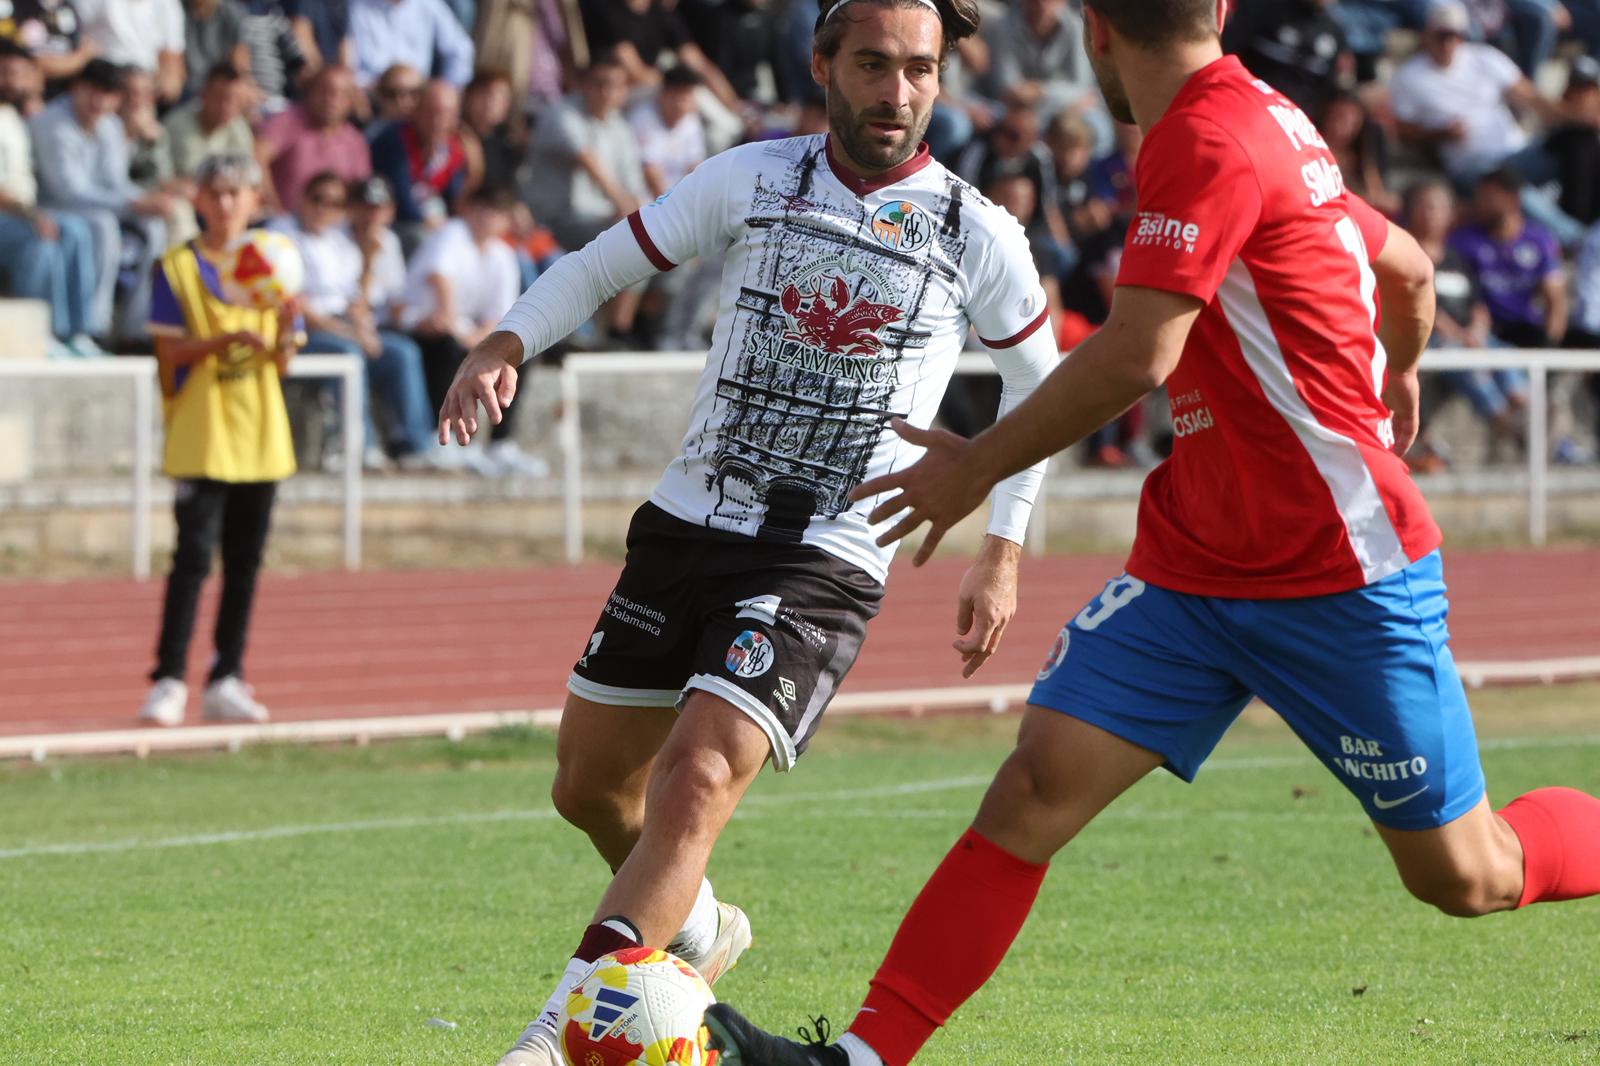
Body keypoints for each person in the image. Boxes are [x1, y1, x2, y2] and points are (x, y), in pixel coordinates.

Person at [703, 1, 1600, 1061]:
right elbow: (1402, 264)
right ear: (1218, 11)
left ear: (1092, 31)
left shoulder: (1204, 140)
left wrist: (975, 468)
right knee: (1032, 788)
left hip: (1337, 568)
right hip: (1193, 568)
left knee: (1467, 874)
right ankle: (857, 1057)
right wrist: (1396, 364)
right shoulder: (1263, 120)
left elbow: (1138, 357)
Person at [434, 0, 1056, 1060]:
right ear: (822, 64)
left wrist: (1000, 549)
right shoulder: (751, 176)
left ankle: (556, 1035)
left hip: (827, 552)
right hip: (688, 519)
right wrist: (505, 340)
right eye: (871, 65)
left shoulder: (975, 230)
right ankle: (704, 921)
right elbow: (600, 264)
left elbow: (1042, 386)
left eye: (918, 70)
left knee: (700, 771)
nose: (895, 93)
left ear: (941, 79)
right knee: (588, 784)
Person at [137, 152, 302, 728]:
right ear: (199, 199)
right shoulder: (176, 267)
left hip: (260, 435)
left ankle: (227, 674)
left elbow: (281, 365)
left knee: (245, 563)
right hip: (203, 434)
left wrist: (283, 333)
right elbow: (167, 355)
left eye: (239, 193)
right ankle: (168, 678)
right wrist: (223, 339)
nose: (227, 204)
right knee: (190, 561)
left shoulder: (275, 265)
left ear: (257, 200)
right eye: (217, 192)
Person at [275, 170, 439, 468]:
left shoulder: (342, 244)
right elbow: (295, 303)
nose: (325, 208)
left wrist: (365, 330)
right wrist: (349, 332)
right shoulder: (284, 234)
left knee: (402, 352)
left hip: (342, 327)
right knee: (348, 354)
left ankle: (416, 445)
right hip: (303, 333)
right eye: (318, 199)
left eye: (335, 203)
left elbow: (356, 302)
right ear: (302, 199)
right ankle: (361, 445)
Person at [400, 185, 543, 476]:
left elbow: (501, 315)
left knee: (519, 355)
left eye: (498, 212)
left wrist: (480, 342)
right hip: (417, 323)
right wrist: (461, 332)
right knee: (449, 345)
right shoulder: (452, 233)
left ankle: (500, 444)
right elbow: (440, 278)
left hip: (462, 330)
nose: (489, 218)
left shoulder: (503, 254)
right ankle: (443, 437)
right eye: (485, 210)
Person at [31, 57, 173, 344]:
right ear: (76, 88)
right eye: (93, 90)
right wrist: (131, 204)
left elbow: (116, 182)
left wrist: (144, 199)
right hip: (49, 207)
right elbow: (67, 191)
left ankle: (136, 328)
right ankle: (95, 325)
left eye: (108, 94)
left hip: (96, 205)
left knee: (155, 225)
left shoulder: (109, 125)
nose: (99, 101)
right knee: (103, 225)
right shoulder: (52, 124)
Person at [1405, 177, 1527, 464]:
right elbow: (1422, 308)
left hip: (1467, 337)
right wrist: (1461, 336)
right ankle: (1512, 428)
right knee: (1463, 361)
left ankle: (1525, 411)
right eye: (1424, 206)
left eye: (1436, 207)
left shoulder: (1457, 259)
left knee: (1504, 355)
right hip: (1433, 340)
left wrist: (1476, 330)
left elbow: (1478, 305)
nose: (1429, 214)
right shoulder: (1406, 254)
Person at [0, 86, 104, 357]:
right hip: (11, 215)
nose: (14, 81)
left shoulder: (12, 116)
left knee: (75, 230)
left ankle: (78, 333)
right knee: (41, 246)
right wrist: (33, 216)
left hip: (20, 213)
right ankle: (46, 334)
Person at [524, 53, 647, 253]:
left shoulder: (621, 128)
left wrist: (639, 209)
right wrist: (626, 207)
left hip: (602, 219)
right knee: (629, 243)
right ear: (584, 84)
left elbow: (633, 183)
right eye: (599, 84)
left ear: (625, 90)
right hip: (557, 220)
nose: (607, 92)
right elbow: (588, 160)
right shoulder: (560, 114)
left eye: (615, 85)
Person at [1449, 166, 1568, 350]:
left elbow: (1555, 300)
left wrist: (1549, 345)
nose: (1480, 204)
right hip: (1483, 330)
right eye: (1479, 197)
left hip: (1525, 328)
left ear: (1513, 199)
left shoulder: (1539, 240)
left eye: (1488, 198)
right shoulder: (1463, 240)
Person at [256, 63, 370, 215]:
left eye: (342, 94)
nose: (332, 100)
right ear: (311, 90)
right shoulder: (286, 121)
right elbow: (257, 157)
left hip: (332, 230)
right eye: (325, 91)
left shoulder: (355, 141)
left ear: (351, 101)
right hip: (281, 223)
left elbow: (359, 192)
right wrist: (274, 209)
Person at [367, 78, 471, 236]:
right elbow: (401, 201)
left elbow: (454, 199)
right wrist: (429, 222)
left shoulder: (452, 150)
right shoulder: (394, 141)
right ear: (416, 111)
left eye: (446, 114)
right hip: (395, 224)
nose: (438, 121)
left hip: (433, 222)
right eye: (431, 112)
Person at [75, 0, 186, 102]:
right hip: (100, 77)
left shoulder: (167, 4)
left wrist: (151, 88)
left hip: (144, 82)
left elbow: (173, 74)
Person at [347, 0, 474, 89]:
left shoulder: (429, 5)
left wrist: (447, 88)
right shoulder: (354, 5)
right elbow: (346, 62)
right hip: (370, 94)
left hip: (416, 97)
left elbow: (460, 50)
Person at [164, 61, 255, 179]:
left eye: (236, 101)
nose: (227, 107)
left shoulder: (239, 128)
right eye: (220, 98)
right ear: (203, 94)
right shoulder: (175, 126)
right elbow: (163, 177)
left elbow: (246, 176)